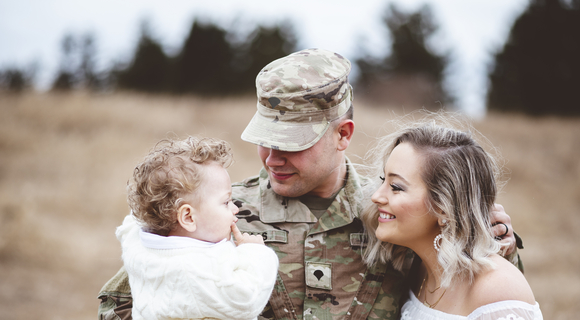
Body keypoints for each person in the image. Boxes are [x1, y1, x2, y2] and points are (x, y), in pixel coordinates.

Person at [98, 48, 521, 320]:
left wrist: (494, 241)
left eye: (292, 143)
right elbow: (120, 301)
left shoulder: (394, 215)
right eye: (264, 140)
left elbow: (471, 297)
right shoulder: (217, 215)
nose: (272, 157)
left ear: (343, 135)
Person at [361, 116, 542, 319]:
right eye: (383, 180)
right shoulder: (417, 270)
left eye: (396, 187)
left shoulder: (498, 291)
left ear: (444, 208)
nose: (376, 196)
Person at [116, 136, 279, 320]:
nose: (236, 209)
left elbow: (129, 226)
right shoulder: (193, 273)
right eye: (226, 202)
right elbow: (247, 299)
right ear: (187, 217)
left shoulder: (138, 244)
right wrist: (255, 252)